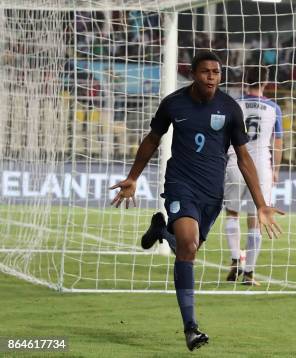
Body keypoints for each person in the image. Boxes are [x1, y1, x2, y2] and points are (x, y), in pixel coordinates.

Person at [109, 51, 284, 351]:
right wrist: (133, 177)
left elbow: (243, 158)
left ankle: (161, 231)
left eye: (216, 72)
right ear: (193, 73)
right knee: (188, 246)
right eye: (206, 72)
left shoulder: (230, 108)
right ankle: (190, 327)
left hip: (212, 194)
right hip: (180, 184)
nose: (212, 77)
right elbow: (153, 139)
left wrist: (261, 203)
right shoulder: (174, 104)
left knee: (186, 248)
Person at [223, 65, 283, 286]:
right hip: (261, 167)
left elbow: (224, 136)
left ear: (244, 80)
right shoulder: (273, 108)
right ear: (266, 82)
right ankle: (249, 273)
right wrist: (276, 169)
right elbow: (277, 143)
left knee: (231, 214)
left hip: (236, 162)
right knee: (256, 218)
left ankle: (235, 259)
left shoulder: (234, 104)